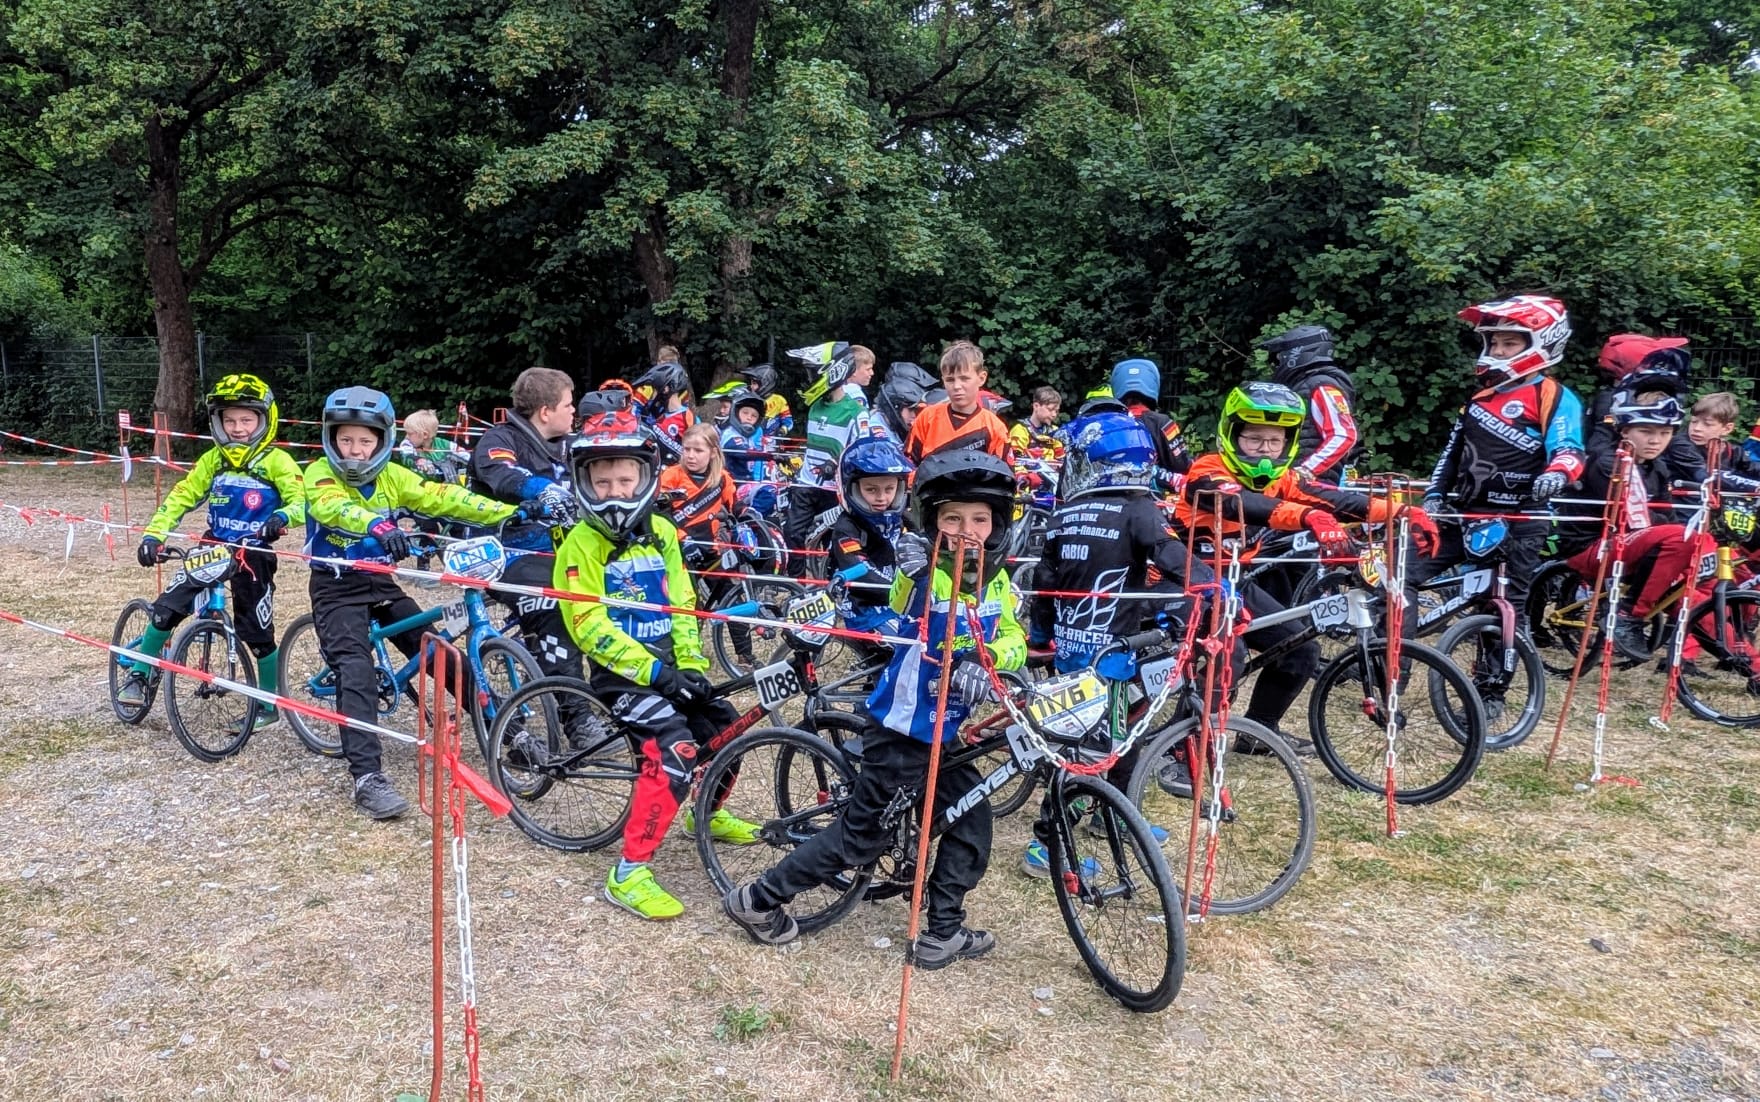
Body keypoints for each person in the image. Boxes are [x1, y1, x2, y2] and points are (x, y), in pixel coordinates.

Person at [722, 450, 1026, 966]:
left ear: (998, 525)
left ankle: (943, 932)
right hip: (903, 728)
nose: (967, 530)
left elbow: (1014, 636)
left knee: (971, 822)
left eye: (980, 519)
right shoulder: (925, 573)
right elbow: (910, 598)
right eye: (952, 519)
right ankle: (758, 899)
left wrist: (991, 657)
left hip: (944, 731)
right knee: (862, 839)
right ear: (932, 524)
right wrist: (912, 564)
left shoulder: (995, 580)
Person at [552, 406, 757, 919]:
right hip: (620, 677)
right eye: (602, 482)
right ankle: (628, 873)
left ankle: (704, 814)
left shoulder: (663, 532)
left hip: (668, 666)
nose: (615, 491)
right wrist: (656, 675)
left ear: (645, 476)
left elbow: (681, 604)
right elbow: (588, 627)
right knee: (676, 746)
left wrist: (688, 664)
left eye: (626, 479)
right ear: (584, 482)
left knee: (728, 727)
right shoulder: (581, 542)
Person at [1175, 382, 1439, 751]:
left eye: (1274, 441)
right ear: (1232, 436)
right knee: (1229, 655)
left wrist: (1405, 511)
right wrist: (1310, 518)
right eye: (1254, 440)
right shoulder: (1207, 471)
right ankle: (1181, 749)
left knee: (1300, 649)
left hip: (1233, 579)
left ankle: (1258, 733)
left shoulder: (1283, 478)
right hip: (1182, 579)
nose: (1264, 451)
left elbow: (1338, 499)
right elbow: (1243, 505)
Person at [305, 387, 517, 819]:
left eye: (365, 441)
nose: (355, 450)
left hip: (381, 584)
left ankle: (507, 730)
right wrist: (378, 525)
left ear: (382, 441)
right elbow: (333, 508)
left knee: (441, 654)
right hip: (336, 587)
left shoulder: (394, 476)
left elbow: (443, 497)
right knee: (356, 670)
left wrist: (506, 512)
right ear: (331, 438)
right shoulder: (318, 474)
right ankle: (367, 776)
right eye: (346, 440)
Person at [1021, 411, 1216, 875]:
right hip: (1114, 651)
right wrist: (1212, 585)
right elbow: (1170, 555)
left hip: (1072, 650)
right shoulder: (1139, 508)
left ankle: (1115, 813)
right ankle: (1047, 844)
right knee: (1093, 747)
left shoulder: (1062, 514)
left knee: (1117, 734)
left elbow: (1046, 585)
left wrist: (1041, 638)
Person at [121, 374, 305, 727]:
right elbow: (181, 497)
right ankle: (140, 674)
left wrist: (281, 517)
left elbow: (301, 501)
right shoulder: (212, 460)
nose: (237, 428)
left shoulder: (278, 462)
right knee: (167, 607)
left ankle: (267, 707)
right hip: (213, 546)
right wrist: (153, 535)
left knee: (258, 632)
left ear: (265, 420)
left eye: (246, 420)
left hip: (254, 555)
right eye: (229, 420)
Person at [1412, 294, 1585, 639]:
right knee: (1403, 573)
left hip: (1520, 520)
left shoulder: (1552, 395)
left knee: (1505, 605)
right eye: (1495, 342)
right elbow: (1452, 451)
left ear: (1542, 343)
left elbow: (1570, 448)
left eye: (1510, 343)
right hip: (1466, 514)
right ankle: (1391, 659)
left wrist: (1557, 474)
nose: (1500, 350)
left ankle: (1493, 689)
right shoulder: (1479, 398)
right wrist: (1434, 493)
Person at [468, 367, 592, 711]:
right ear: (545, 411)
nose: (574, 412)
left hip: (558, 549)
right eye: (569, 404)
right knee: (555, 604)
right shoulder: (499, 440)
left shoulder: (568, 445)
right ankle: (576, 717)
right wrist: (544, 492)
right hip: (504, 551)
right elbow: (504, 474)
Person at [1556, 393, 1709, 655]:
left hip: (1636, 542)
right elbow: (1630, 519)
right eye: (1646, 431)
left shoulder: (1656, 467)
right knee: (1682, 537)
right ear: (1625, 431)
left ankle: (1747, 663)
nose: (1655, 440)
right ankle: (1629, 615)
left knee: (1699, 556)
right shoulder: (1609, 462)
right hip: (1591, 546)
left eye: (1664, 433)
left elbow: (1665, 516)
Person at [826, 436, 918, 669]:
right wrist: (906, 594)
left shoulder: (903, 520)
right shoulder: (847, 528)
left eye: (890, 489)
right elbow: (860, 572)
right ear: (852, 488)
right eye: (871, 489)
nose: (882, 497)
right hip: (864, 608)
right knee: (910, 650)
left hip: (898, 604)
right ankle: (873, 702)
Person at [785, 342, 874, 575]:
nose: (809, 378)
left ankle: (834, 586)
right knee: (792, 532)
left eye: (813, 373)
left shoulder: (856, 412)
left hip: (834, 489)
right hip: (806, 483)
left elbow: (862, 451)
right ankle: (795, 584)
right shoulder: (815, 406)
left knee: (836, 540)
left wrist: (836, 463)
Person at [1586, 334, 1707, 484]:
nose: (1661, 370)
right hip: (1616, 474)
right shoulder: (1612, 400)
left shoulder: (1627, 397)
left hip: (1642, 466)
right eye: (1655, 364)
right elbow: (1598, 446)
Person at [1256, 325, 1362, 484]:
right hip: (1300, 482)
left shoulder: (1322, 386)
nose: (1276, 363)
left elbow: (1344, 434)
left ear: (1297, 353)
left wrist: (1307, 470)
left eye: (1280, 357)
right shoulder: (1306, 384)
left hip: (1313, 484)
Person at [904, 340, 1012, 466]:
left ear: (981, 378)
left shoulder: (994, 427)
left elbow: (1005, 476)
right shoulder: (927, 418)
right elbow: (907, 464)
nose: (956, 386)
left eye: (964, 379)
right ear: (943, 380)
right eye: (950, 380)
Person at [660, 423, 737, 566]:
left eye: (698, 451)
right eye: (687, 449)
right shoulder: (671, 475)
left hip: (710, 548)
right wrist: (682, 539)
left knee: (728, 585)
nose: (690, 456)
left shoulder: (722, 478)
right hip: (677, 546)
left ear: (713, 453)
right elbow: (659, 515)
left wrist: (747, 521)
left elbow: (736, 506)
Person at [1109, 358, 1190, 479]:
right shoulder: (1163, 423)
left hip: (1115, 489)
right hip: (1155, 492)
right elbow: (1182, 465)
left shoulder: (1109, 423)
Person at [632, 360, 695, 465]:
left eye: (655, 390)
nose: (653, 395)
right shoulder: (661, 417)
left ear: (666, 389)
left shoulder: (687, 417)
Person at [718, 388, 773, 484]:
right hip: (730, 484)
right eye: (745, 413)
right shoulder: (730, 434)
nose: (749, 418)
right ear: (735, 412)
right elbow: (744, 453)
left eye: (754, 416)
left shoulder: (748, 437)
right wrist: (770, 456)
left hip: (745, 481)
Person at [874, 360, 937, 443]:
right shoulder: (878, 435)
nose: (915, 415)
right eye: (911, 409)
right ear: (895, 406)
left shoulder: (892, 427)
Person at [737, 363, 793, 437]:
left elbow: (787, 419)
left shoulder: (779, 400)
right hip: (750, 438)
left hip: (771, 441)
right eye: (751, 383)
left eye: (754, 383)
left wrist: (783, 429)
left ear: (765, 383)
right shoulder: (747, 398)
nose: (751, 386)